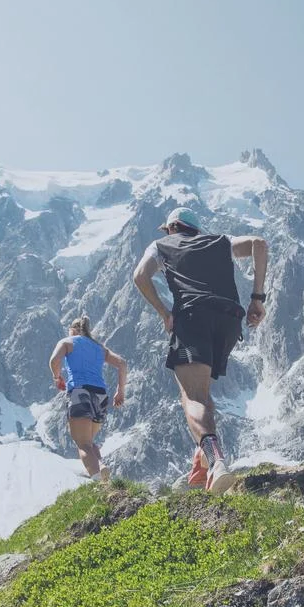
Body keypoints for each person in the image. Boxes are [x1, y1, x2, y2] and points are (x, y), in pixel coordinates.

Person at [132, 207, 268, 494]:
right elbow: (259, 244)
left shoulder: (161, 245)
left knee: (191, 396)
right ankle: (202, 460)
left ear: (172, 228)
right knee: (202, 392)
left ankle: (217, 461)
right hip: (230, 319)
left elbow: (140, 276)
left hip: (193, 316)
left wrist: (163, 312)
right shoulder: (219, 240)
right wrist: (257, 298)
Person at [48, 315, 128, 483]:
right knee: (89, 442)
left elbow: (54, 361)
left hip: (80, 391)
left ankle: (98, 480)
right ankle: (101, 469)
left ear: (74, 329)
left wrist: (57, 377)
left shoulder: (67, 342)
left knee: (82, 444)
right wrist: (120, 391)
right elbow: (122, 363)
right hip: (101, 395)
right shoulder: (99, 347)